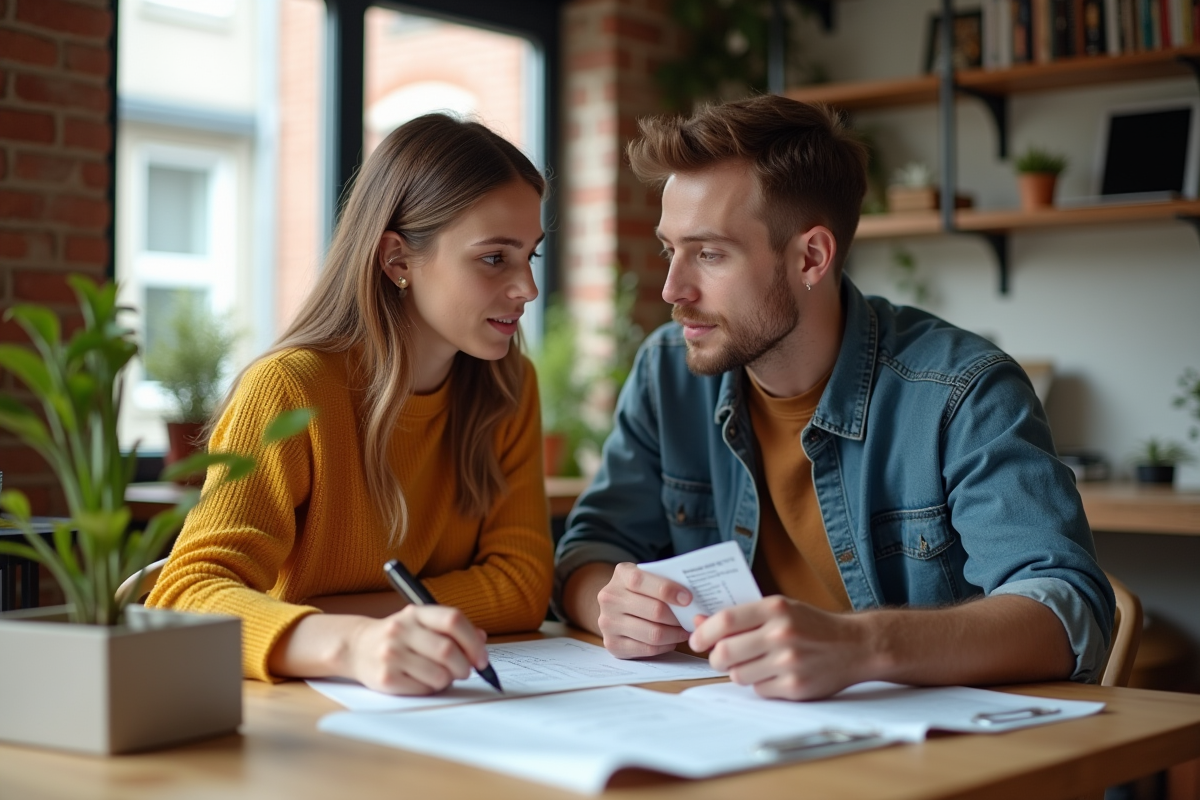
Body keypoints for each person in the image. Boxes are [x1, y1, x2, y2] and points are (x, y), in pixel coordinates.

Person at [554, 95, 1114, 701]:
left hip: (929, 742)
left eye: (709, 254)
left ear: (811, 257)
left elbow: (1066, 610)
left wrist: (863, 646)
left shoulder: (964, 391)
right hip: (729, 723)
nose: (672, 289)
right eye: (671, 250)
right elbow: (589, 551)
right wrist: (612, 604)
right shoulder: (668, 371)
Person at [148, 114, 553, 695]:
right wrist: (353, 642)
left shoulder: (508, 388)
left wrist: (335, 615)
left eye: (530, 256)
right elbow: (184, 596)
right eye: (495, 258)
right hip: (299, 712)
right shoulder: (290, 390)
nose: (527, 289)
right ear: (397, 260)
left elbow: (523, 586)